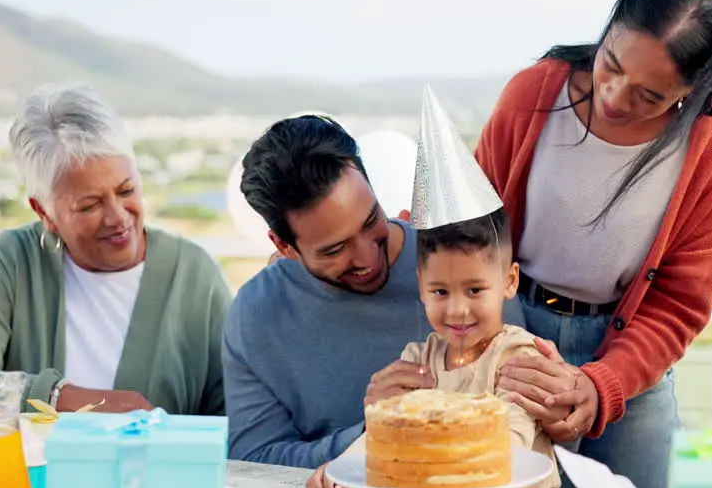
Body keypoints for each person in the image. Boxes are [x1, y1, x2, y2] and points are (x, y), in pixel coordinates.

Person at [473, 0, 712, 488]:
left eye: (650, 94)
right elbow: (471, 225)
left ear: (694, 91)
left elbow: (677, 307)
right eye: (611, 65)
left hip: (628, 357)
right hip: (511, 332)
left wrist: (602, 385)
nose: (616, 97)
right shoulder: (534, 94)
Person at [224, 116, 524, 469]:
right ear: (284, 246)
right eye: (334, 250)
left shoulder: (460, 262)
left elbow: (520, 421)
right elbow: (254, 461)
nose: (367, 258)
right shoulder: (256, 315)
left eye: (370, 221)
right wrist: (375, 432)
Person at [0, 84, 231, 429]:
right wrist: (63, 398)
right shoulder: (11, 262)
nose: (118, 217)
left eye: (127, 190)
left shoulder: (194, 275)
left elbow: (234, 419)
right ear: (45, 212)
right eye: (89, 205)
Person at [306, 208, 561, 488]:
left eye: (475, 289)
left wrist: (405, 462)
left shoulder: (517, 355)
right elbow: (388, 432)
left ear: (509, 281)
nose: (457, 310)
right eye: (440, 291)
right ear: (422, 287)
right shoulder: (418, 360)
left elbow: (506, 443)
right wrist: (344, 473)